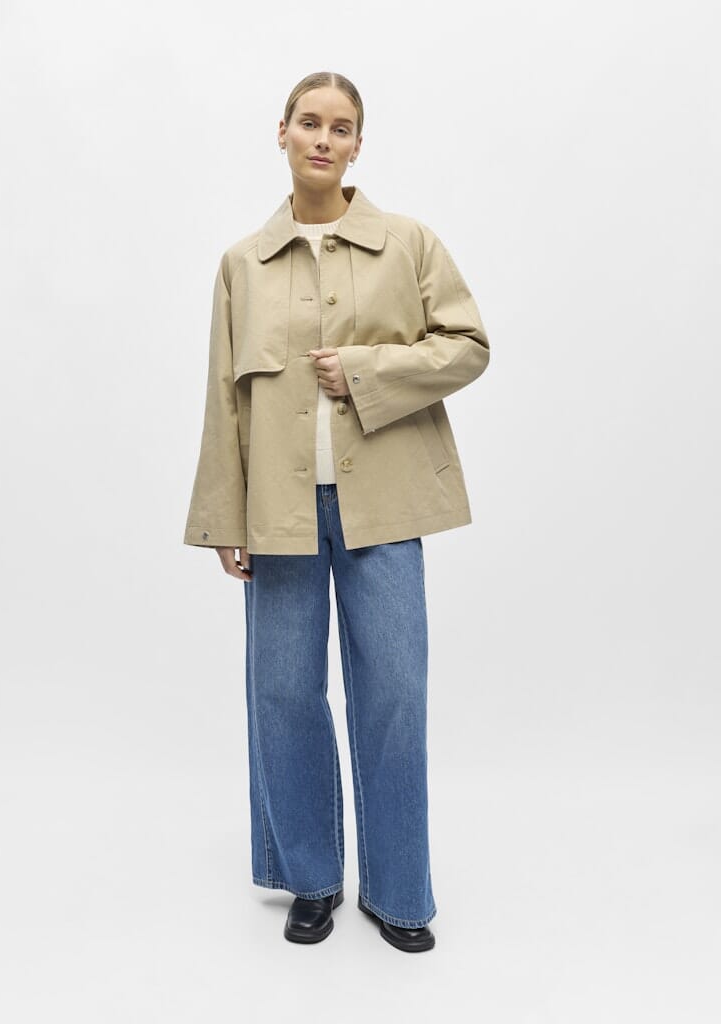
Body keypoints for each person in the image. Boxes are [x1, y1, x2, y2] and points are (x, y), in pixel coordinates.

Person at [183, 71, 490, 952]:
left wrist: (364, 371)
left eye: (341, 127)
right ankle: (311, 880)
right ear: (281, 131)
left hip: (384, 502)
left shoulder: (408, 244)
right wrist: (223, 519)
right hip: (275, 509)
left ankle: (396, 891)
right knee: (282, 693)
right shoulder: (242, 264)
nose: (324, 138)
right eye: (309, 122)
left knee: (393, 693)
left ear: (359, 145)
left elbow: (468, 345)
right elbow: (223, 398)